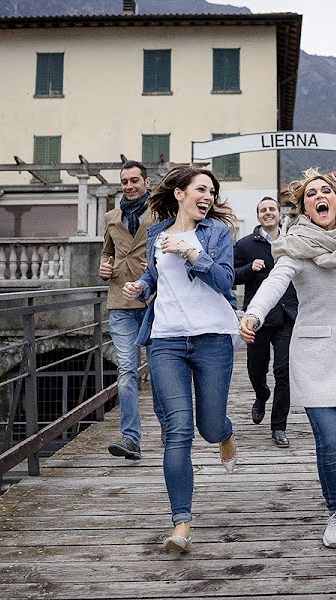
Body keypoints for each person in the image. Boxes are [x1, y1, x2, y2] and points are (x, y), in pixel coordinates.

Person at [238, 168, 336, 549]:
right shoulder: (296, 249)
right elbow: (274, 284)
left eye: (327, 191)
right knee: (328, 442)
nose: (320, 197)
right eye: (312, 194)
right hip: (313, 355)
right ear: (305, 207)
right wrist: (253, 315)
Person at [122, 165, 240, 553]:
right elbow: (155, 278)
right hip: (166, 340)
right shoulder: (156, 233)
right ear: (180, 194)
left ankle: (224, 433)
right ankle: (181, 525)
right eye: (201, 189)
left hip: (212, 338)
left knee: (208, 426)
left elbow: (225, 280)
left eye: (212, 191)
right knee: (178, 430)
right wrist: (141, 285)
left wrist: (192, 253)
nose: (207, 196)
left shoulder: (217, 233)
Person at [100, 160, 157, 461]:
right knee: (126, 371)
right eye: (125, 181)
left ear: (147, 183)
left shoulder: (162, 213)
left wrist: (159, 267)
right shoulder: (111, 216)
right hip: (120, 301)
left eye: (135, 180)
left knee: (160, 370)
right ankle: (130, 438)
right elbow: (106, 253)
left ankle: (168, 427)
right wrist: (103, 266)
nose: (129, 186)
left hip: (154, 302)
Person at [233, 197, 298, 448]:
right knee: (256, 368)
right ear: (258, 216)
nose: (268, 213)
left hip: (288, 314)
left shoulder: (293, 243)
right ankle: (261, 394)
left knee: (284, 371)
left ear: (280, 214)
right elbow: (230, 274)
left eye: (272, 209)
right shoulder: (245, 244)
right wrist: (250, 268)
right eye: (263, 210)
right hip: (257, 318)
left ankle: (278, 427)